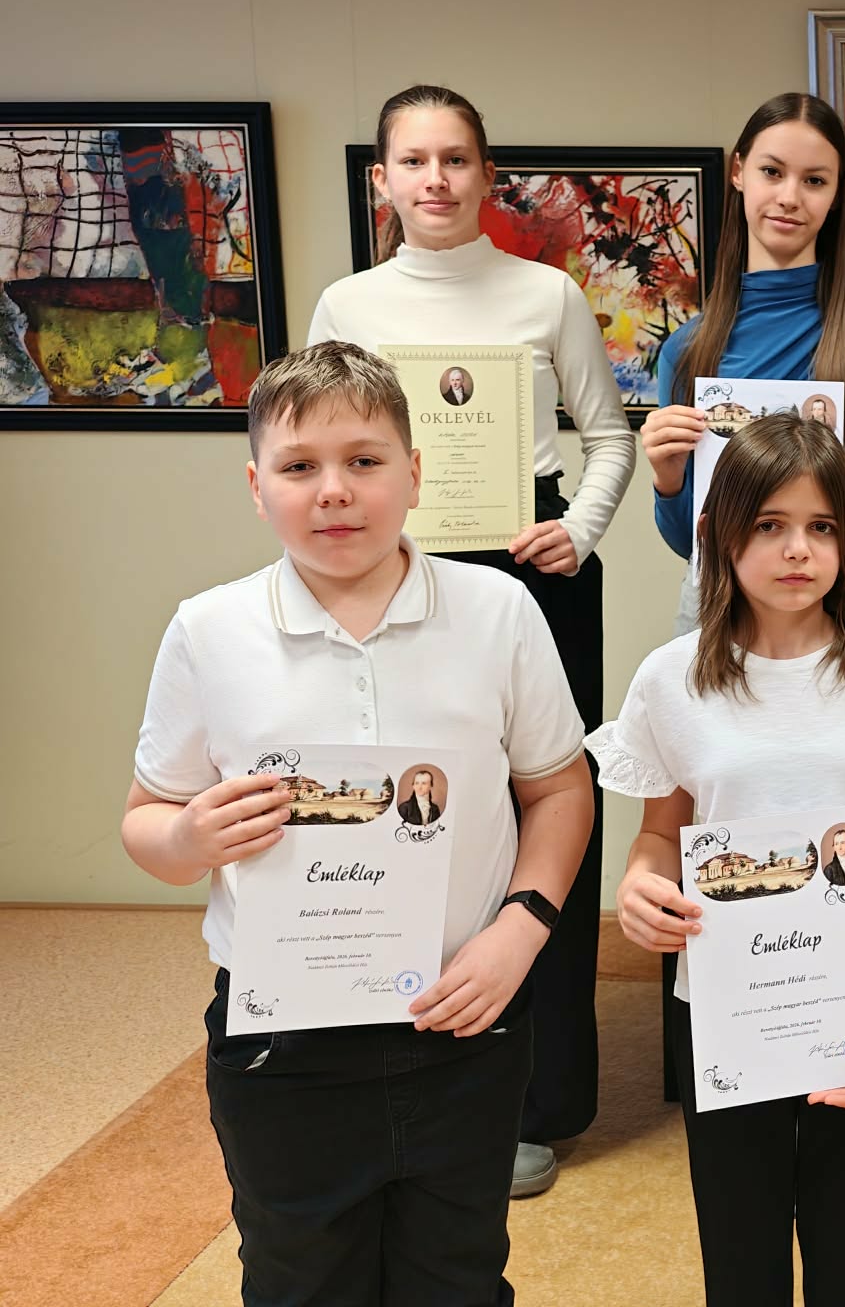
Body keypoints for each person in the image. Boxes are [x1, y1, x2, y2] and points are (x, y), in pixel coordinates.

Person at [121, 342, 593, 1305]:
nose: (333, 490)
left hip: (464, 1018)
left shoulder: (499, 612)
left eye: (364, 461)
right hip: (283, 1044)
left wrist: (522, 930)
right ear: (257, 488)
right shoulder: (210, 630)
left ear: (415, 474)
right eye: (299, 466)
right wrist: (188, 839)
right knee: (300, 1277)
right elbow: (147, 819)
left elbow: (560, 789)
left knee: (457, 1274)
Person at [308, 84, 633, 1198]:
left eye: (456, 159)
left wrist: (577, 531)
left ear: (488, 176)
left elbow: (607, 436)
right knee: (412, 810)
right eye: (414, 160)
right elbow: (330, 445)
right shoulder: (348, 302)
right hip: (393, 575)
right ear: (383, 180)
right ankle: (401, 1061)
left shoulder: (548, 294)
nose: (436, 179)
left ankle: (538, 1098)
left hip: (533, 573)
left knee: (547, 810)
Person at [592, 412, 845, 1306]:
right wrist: (640, 884)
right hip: (725, 1012)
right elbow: (659, 835)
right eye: (769, 524)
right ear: (720, 535)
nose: (798, 549)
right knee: (741, 1264)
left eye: (822, 526)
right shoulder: (672, 678)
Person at [643, 92, 845, 638]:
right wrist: (667, 478)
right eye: (772, 172)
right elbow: (690, 542)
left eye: (814, 180)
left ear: (836, 194)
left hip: (840, 599)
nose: (789, 197)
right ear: (738, 172)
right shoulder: (687, 349)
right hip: (719, 605)